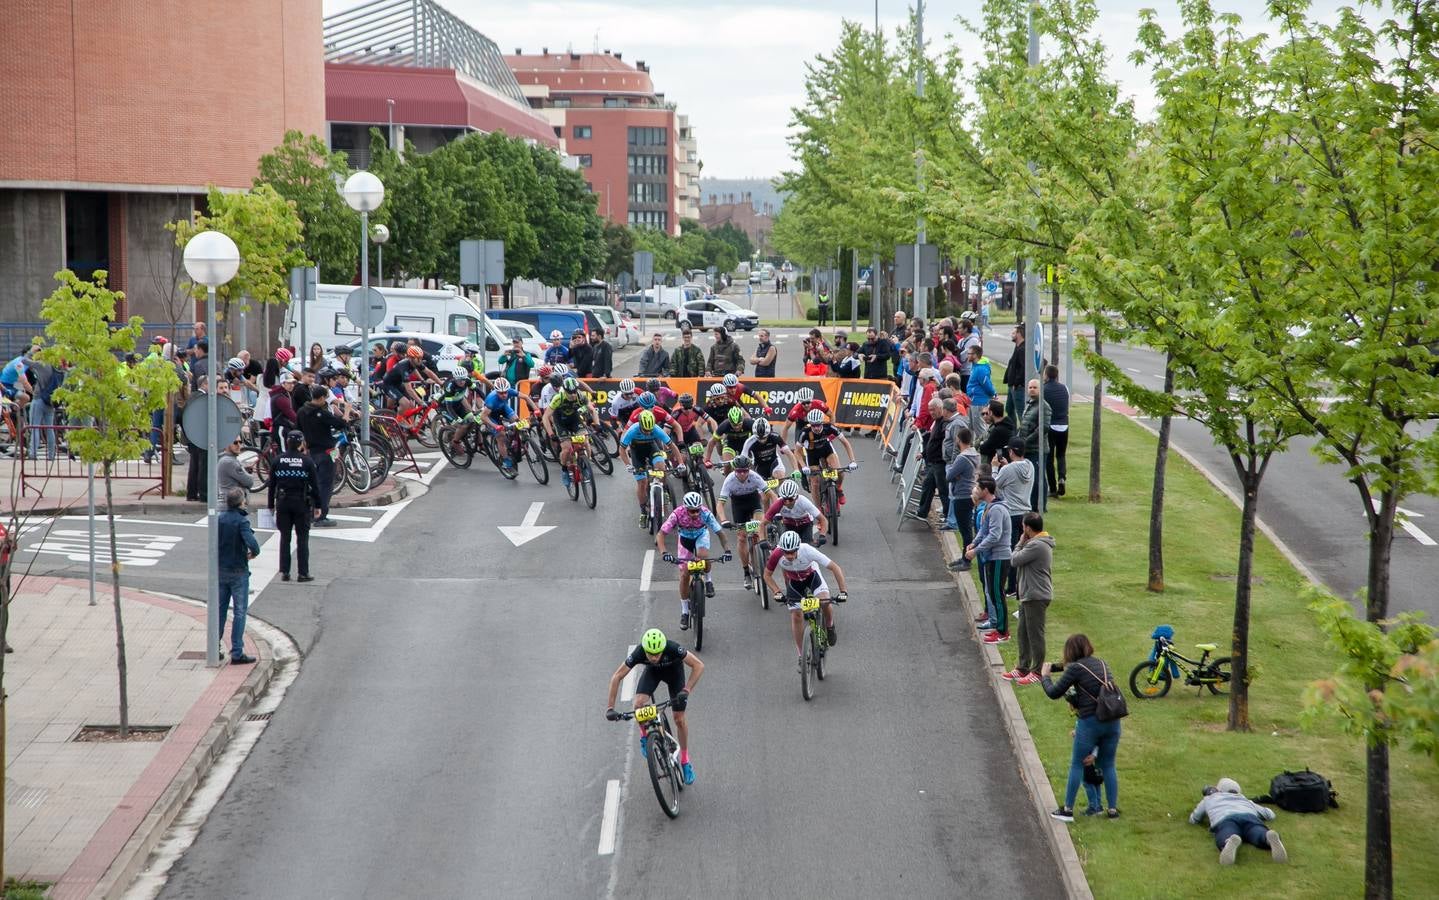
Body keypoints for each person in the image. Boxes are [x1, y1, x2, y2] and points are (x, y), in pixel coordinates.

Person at [605, 628, 705, 785]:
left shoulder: (673, 648)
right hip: (653, 674)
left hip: (674, 674)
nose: (653, 657)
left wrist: (687, 690)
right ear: (645, 650)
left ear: (663, 648)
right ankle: (644, 736)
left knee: (679, 719)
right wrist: (610, 708)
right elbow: (617, 676)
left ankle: (685, 761)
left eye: (657, 653)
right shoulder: (639, 652)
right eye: (650, 654)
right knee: (638, 703)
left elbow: (698, 665)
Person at [1040, 634, 1121, 822]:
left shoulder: (1075, 668)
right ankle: (1112, 810)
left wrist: (1045, 677)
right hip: (1113, 720)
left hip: (1090, 722)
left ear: (1070, 651)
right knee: (1108, 765)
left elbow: (1054, 693)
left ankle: (1067, 810)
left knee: (1077, 764)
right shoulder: (1102, 663)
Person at [762, 530, 849, 657]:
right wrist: (777, 592)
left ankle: (830, 625)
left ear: (798, 548)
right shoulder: (776, 554)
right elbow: (767, 575)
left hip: (812, 576)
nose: (789, 555)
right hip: (795, 582)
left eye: (792, 552)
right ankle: (801, 655)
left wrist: (843, 591)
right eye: (786, 552)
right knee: (796, 616)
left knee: (825, 601)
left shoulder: (807, 550)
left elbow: (835, 567)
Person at [656, 492, 731, 630]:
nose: (696, 513)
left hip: (701, 535)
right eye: (692, 511)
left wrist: (727, 550)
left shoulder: (706, 513)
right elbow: (661, 534)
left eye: (697, 510)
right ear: (685, 508)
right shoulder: (677, 514)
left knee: (703, 555)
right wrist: (664, 552)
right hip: (685, 540)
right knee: (685, 574)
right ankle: (684, 611)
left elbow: (720, 533)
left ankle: (708, 580)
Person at [1189, 779, 1287, 865]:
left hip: (1225, 819)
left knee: (1226, 831)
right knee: (1256, 830)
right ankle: (1267, 837)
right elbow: (1269, 814)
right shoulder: (1243, 799)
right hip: (1249, 817)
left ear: (1218, 789)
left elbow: (1195, 818)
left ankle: (1228, 842)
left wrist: (1196, 819)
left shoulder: (1209, 798)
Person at [1006, 512, 1054, 684]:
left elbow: (1014, 560)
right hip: (1028, 594)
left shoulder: (1037, 545)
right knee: (1023, 632)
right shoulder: (1035, 543)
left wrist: (1019, 543)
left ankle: (1037, 671)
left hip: (1036, 595)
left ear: (1027, 528)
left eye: (1023, 526)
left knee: (1035, 634)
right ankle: (1022, 667)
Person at [716, 455, 777, 589]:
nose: (742, 474)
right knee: (742, 537)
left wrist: (776, 511)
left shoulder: (754, 476)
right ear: (734, 470)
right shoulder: (729, 480)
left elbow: (771, 494)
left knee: (761, 524)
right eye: (739, 471)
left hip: (753, 501)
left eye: (745, 470)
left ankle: (764, 546)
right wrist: (724, 520)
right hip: (738, 505)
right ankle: (746, 572)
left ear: (749, 469)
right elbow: (720, 504)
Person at [268, 430, 320, 583]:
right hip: (301, 503)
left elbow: (271, 485)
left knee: (285, 538)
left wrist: (271, 504)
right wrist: (318, 505)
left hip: (283, 502)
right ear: (301, 443)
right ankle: (303, 573)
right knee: (302, 539)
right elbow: (315, 486)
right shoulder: (307, 461)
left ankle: (285, 571)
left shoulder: (278, 460)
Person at [217, 488, 260, 664]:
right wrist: (253, 553)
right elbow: (253, 544)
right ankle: (236, 651)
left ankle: (214, 646)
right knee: (239, 611)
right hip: (238, 570)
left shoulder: (220, 519)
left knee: (220, 610)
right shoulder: (241, 521)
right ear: (241, 502)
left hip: (221, 569)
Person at [966, 476, 1011, 642]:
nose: (975, 491)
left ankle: (1002, 631)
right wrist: (974, 543)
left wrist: (976, 550)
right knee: (993, 592)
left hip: (1000, 556)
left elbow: (994, 535)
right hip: (992, 556)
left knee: (997, 594)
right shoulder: (989, 508)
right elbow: (984, 531)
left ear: (985, 490)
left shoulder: (997, 509)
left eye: (978, 488)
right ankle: (998, 627)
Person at [620, 410, 682, 527]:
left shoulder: (656, 429)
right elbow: (622, 449)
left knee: (661, 468)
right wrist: (628, 465)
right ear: (640, 425)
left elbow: (672, 446)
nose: (648, 432)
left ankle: (662, 489)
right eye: (645, 430)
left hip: (651, 448)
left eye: (650, 430)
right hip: (637, 452)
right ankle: (643, 511)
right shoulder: (632, 430)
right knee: (642, 483)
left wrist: (680, 463)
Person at [296, 384, 348, 527]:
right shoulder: (321, 413)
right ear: (321, 398)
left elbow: (299, 430)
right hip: (327, 451)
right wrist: (347, 411)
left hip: (311, 453)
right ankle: (321, 516)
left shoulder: (302, 411)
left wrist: (305, 446)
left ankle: (311, 512)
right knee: (325, 485)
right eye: (325, 398)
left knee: (313, 484)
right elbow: (340, 424)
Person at [994, 438, 1033, 592]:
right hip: (1025, 514)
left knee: (1010, 551)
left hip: (1010, 514)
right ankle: (1019, 585)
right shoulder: (1030, 466)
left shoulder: (1007, 470)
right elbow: (1014, 476)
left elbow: (994, 488)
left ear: (1011, 452)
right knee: (1022, 552)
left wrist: (995, 469)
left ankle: (1010, 587)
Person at [795, 409, 855, 505]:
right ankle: (818, 508)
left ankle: (839, 489)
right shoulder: (804, 433)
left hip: (826, 450)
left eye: (818, 424)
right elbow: (797, 452)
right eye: (813, 425)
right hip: (812, 454)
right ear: (810, 424)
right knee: (815, 482)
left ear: (822, 422)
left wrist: (852, 461)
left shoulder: (830, 427)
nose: (816, 428)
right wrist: (804, 466)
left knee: (839, 472)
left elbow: (845, 443)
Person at [944, 426, 979, 555]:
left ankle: (966, 557)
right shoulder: (975, 455)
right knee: (967, 528)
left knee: (965, 530)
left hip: (961, 495)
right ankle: (966, 555)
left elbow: (949, 475)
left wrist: (953, 472)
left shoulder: (962, 458)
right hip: (970, 493)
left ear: (958, 440)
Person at [764, 478, 829, 545]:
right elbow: (763, 523)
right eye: (784, 499)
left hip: (805, 525)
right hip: (789, 525)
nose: (787, 502)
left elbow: (823, 519)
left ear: (796, 497)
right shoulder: (778, 503)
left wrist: (822, 535)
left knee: (806, 546)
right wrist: (763, 539)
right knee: (787, 547)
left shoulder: (804, 501)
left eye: (790, 499)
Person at [1043, 365, 1071, 497]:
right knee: (1061, 455)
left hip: (1051, 426)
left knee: (1049, 457)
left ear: (1047, 375)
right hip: (1064, 425)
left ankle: (1053, 489)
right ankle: (1062, 477)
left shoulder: (1044, 390)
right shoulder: (1064, 388)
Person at [966, 345, 996, 440]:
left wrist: (993, 393)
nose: (967, 356)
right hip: (974, 401)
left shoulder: (980, 369)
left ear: (975, 355)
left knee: (979, 428)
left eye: (969, 354)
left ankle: (985, 447)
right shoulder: (975, 366)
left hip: (979, 402)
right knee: (972, 426)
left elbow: (987, 384)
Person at [977, 400, 1013, 471]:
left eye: (987, 413)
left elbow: (984, 449)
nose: (985, 416)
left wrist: (982, 443)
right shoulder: (1006, 425)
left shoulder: (998, 430)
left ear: (991, 413)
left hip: (1000, 467)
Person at [1003, 326, 1026, 422]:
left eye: (1013, 333)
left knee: (1020, 412)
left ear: (1019, 334)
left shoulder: (1022, 349)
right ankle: (1013, 432)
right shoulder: (1017, 347)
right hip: (1012, 385)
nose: (1011, 335)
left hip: (1018, 387)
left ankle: (1024, 434)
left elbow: (1023, 368)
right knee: (1009, 408)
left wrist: (1016, 383)